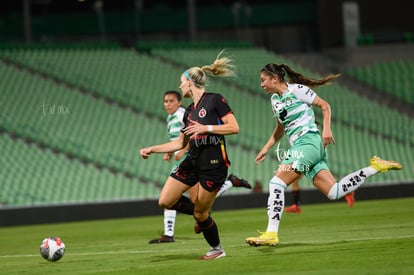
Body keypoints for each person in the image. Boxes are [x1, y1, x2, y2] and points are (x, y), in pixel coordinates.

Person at [245, 63, 402, 246]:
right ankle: (374, 167)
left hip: (309, 143)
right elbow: (280, 128)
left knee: (276, 183)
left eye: (263, 80)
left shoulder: (297, 90)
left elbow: (324, 106)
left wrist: (326, 130)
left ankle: (271, 233)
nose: (262, 84)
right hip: (305, 147)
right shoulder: (274, 100)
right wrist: (266, 148)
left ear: (275, 78)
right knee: (334, 192)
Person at [141, 51, 240, 259]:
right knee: (165, 201)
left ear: (190, 82)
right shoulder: (188, 111)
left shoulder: (215, 100)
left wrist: (207, 128)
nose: (180, 86)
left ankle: (217, 249)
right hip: (192, 162)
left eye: (181, 82)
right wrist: (152, 149)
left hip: (213, 166)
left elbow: (234, 127)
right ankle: (199, 213)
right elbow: (179, 142)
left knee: (200, 214)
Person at [149, 90, 251, 244]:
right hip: (188, 161)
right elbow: (179, 140)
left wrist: (183, 150)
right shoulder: (179, 115)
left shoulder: (194, 108)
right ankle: (178, 229)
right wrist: (161, 151)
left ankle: (197, 223)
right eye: (165, 101)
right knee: (171, 200)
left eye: (171, 101)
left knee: (198, 203)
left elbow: (196, 136)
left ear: (179, 102)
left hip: (201, 160)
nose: (168, 104)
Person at [284, 177, 355, 214]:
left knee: (320, 181)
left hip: (308, 157)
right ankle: (296, 206)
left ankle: (347, 191)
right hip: (305, 158)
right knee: (295, 181)